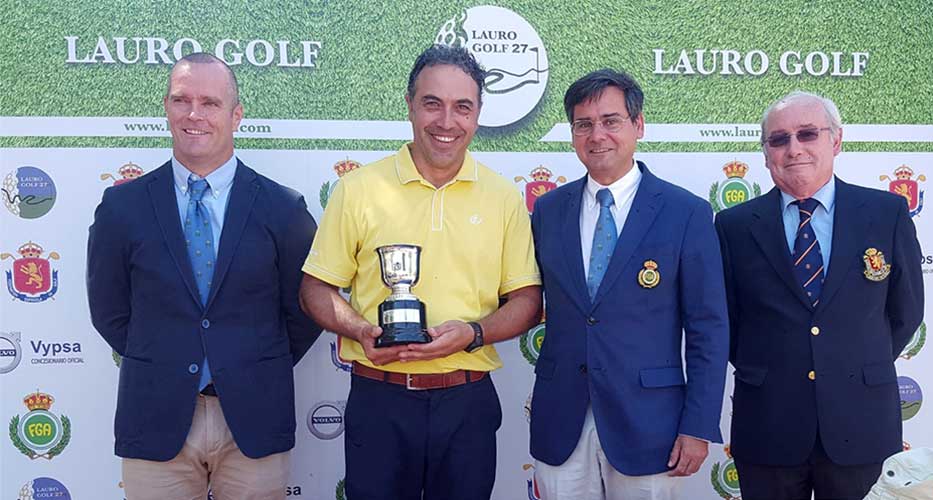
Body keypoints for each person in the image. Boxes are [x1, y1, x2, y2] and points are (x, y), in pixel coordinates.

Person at [298, 44, 542, 500]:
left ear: (478, 114)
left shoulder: (503, 197)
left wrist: (473, 333)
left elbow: (527, 302)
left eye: (462, 107)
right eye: (432, 103)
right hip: (379, 399)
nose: (446, 121)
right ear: (409, 104)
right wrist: (361, 329)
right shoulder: (357, 190)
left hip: (467, 403)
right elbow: (315, 287)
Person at [87, 52, 320, 500]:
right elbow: (110, 312)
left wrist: (245, 365)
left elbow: (304, 313)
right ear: (166, 108)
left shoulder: (284, 209)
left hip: (254, 416)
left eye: (210, 103)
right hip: (155, 414)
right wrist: (168, 363)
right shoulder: (122, 208)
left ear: (236, 116)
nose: (194, 114)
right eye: (181, 100)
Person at [529, 68, 729, 499]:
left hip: (650, 424)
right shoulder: (548, 211)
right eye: (584, 124)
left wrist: (697, 424)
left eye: (610, 120)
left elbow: (708, 328)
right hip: (561, 420)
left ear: (638, 125)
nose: (596, 134)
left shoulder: (685, 212)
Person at [715, 90, 925, 500]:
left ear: (836, 140)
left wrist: (852, 358)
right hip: (768, 425)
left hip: (861, 423)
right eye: (779, 139)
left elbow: (906, 311)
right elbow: (728, 322)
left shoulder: (886, 213)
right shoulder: (733, 226)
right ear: (765, 153)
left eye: (807, 134)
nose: (794, 149)